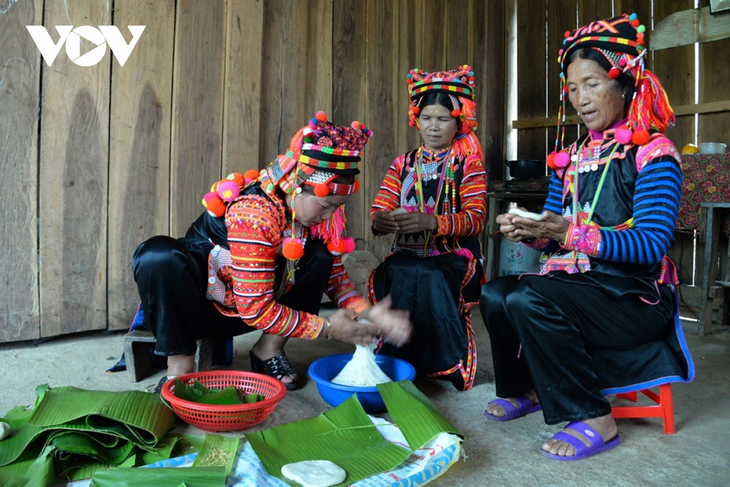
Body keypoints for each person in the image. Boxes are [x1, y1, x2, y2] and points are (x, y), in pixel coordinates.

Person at [480, 13, 694, 460]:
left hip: (634, 297)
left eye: (592, 84)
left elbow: (651, 244)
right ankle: (529, 388)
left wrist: (569, 232)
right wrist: (532, 232)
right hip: (579, 285)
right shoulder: (571, 156)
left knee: (530, 297)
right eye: (573, 88)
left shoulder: (653, 153)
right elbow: (556, 236)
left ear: (625, 84)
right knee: (496, 293)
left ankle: (595, 416)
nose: (580, 98)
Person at [133, 112, 411, 392]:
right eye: (325, 205)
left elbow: (334, 275)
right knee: (159, 255)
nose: (330, 216)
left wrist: (366, 312)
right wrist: (327, 327)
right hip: (196, 311)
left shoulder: (310, 215)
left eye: (336, 207)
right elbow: (254, 309)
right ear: (295, 187)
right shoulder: (255, 213)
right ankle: (179, 367)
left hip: (252, 309)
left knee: (320, 255)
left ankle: (268, 350)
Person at [369, 66, 487, 391]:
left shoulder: (468, 163)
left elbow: (476, 218)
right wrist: (380, 221)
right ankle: (396, 358)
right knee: (397, 271)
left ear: (458, 122)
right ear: (416, 120)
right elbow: (380, 208)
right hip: (406, 252)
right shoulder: (403, 164)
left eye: (443, 119)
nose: (433, 126)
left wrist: (433, 222)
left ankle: (446, 364)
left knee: (431, 274)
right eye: (427, 118)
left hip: (454, 255)